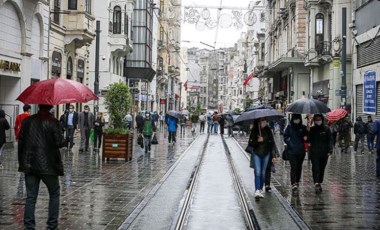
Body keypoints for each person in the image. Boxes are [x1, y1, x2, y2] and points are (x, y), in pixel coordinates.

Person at [18, 104, 67, 230]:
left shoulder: (27, 121)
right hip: (48, 165)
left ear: (39, 106)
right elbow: (59, 143)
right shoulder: (53, 121)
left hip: (30, 164)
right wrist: (64, 136)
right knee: (54, 193)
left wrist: (22, 163)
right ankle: (51, 225)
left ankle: (29, 226)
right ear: (51, 107)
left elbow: (21, 142)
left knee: (30, 197)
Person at [247, 118, 276, 199]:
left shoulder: (268, 130)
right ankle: (257, 190)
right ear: (258, 121)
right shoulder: (254, 130)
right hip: (257, 153)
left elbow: (272, 143)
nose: (263, 122)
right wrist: (258, 141)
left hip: (266, 153)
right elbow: (250, 143)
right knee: (258, 172)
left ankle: (260, 188)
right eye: (262, 120)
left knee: (263, 173)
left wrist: (273, 156)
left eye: (265, 120)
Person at [308, 114, 333, 194]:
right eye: (316, 119)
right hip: (314, 152)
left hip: (324, 153)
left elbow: (330, 140)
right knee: (315, 168)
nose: (318, 121)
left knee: (322, 168)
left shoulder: (326, 129)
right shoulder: (312, 129)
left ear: (322, 120)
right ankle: (316, 183)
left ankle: (319, 181)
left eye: (319, 119)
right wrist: (308, 129)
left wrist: (330, 150)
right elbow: (307, 139)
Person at [284, 113, 308, 191]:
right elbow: (285, 136)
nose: (296, 120)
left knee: (299, 167)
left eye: (298, 118)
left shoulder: (303, 127)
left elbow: (307, 138)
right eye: (295, 118)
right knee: (293, 167)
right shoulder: (289, 127)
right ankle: (293, 183)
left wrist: (306, 136)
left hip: (301, 151)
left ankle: (297, 181)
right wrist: (289, 142)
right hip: (291, 151)